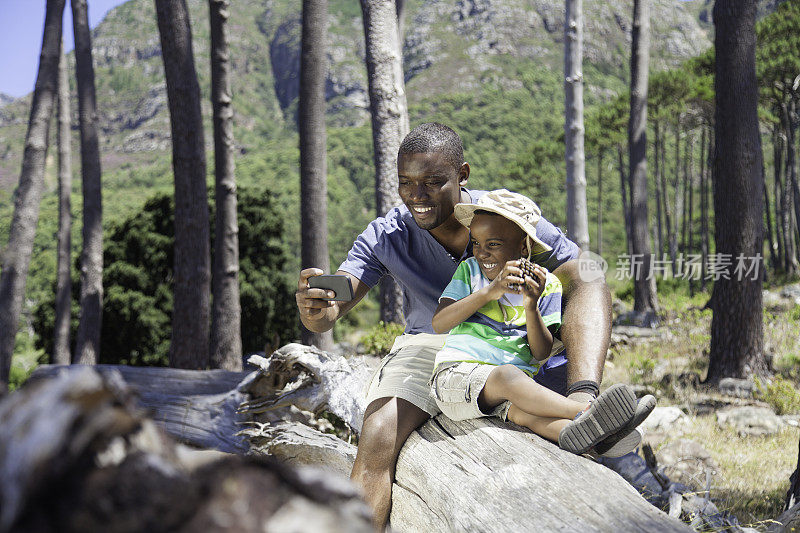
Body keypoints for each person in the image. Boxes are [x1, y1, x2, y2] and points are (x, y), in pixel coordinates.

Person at [295, 123, 628, 528]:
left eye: (433, 182)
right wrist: (318, 309)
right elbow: (336, 303)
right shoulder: (387, 234)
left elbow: (582, 275)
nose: (417, 196)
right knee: (378, 435)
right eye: (406, 183)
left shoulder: (508, 216)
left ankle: (585, 401)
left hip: (512, 345)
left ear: (462, 175)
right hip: (430, 346)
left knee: (591, 277)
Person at [430, 190, 651, 454]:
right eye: (475, 243)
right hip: (456, 377)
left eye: (493, 244)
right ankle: (590, 411)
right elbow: (440, 323)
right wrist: (490, 291)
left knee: (527, 416)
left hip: (507, 394)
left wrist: (530, 305)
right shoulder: (470, 271)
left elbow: (541, 352)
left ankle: (597, 440)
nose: (482, 253)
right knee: (508, 376)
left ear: (524, 247)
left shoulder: (547, 285)